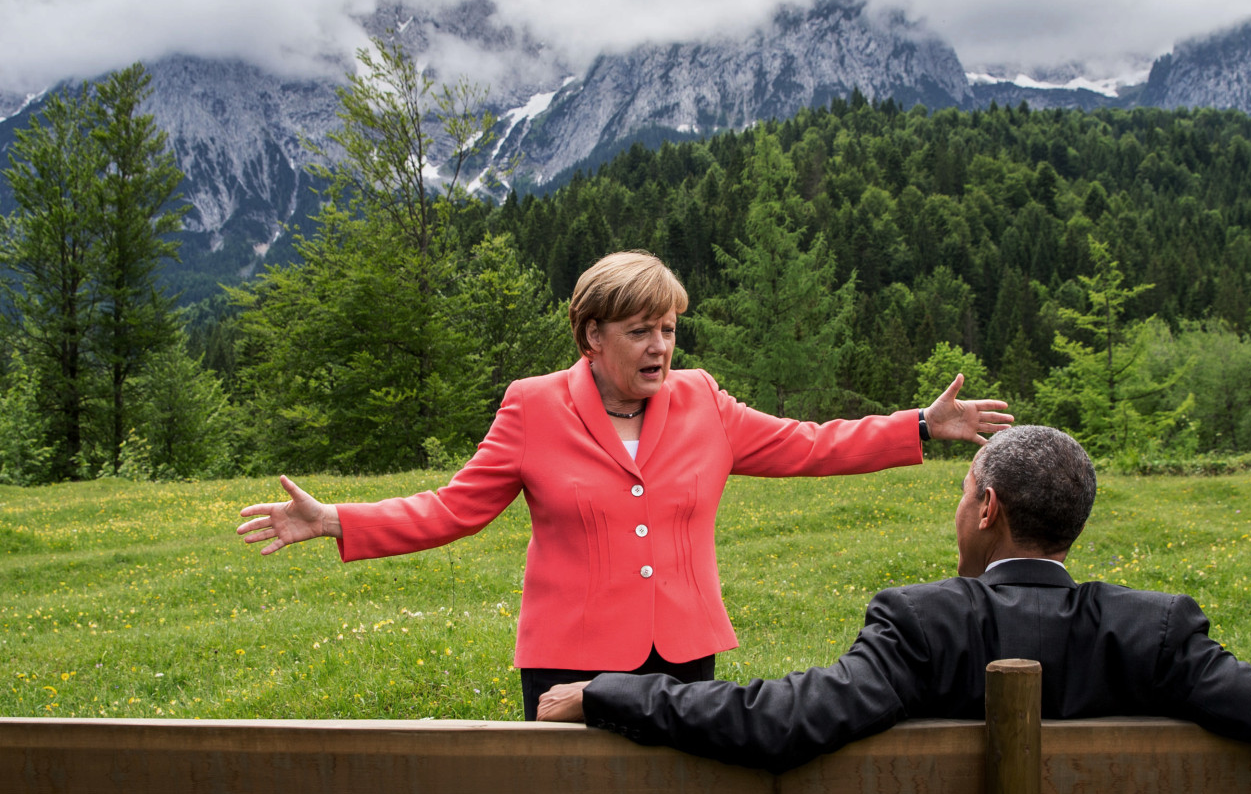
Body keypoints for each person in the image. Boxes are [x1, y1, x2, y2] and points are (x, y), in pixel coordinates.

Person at [234, 250, 1013, 721]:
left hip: (682, 653)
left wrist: (917, 426)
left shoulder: (703, 399)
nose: (660, 347)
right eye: (641, 330)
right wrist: (338, 519)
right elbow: (453, 508)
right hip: (569, 657)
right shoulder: (532, 407)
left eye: (669, 329)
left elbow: (806, 445)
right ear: (592, 335)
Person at [536, 424, 1251, 768]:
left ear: (982, 508)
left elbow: (780, 722)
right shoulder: (1155, 633)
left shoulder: (918, 625)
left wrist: (613, 692)